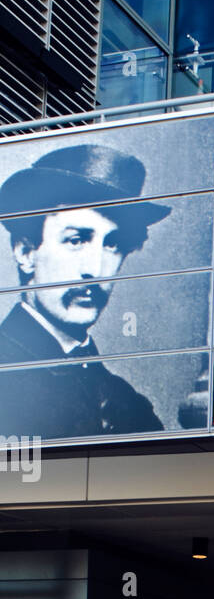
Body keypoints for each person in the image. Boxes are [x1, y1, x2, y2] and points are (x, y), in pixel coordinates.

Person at [0, 144, 170, 438]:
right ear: (26, 252)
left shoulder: (131, 407)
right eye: (76, 240)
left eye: (112, 244)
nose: (94, 268)